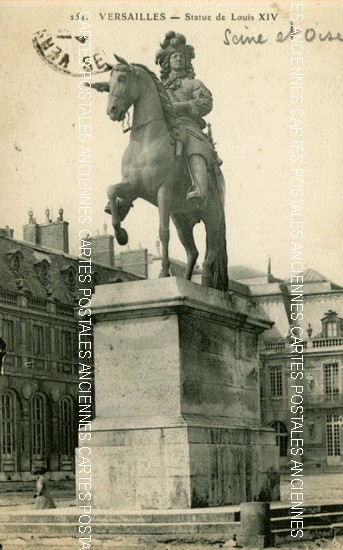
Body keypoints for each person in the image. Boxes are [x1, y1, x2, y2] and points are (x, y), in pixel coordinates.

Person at [156, 31, 216, 206]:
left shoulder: (194, 84)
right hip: (164, 126)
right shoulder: (159, 87)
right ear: (168, 61)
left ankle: (199, 187)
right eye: (174, 56)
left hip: (188, 125)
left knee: (195, 146)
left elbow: (206, 103)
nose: (178, 59)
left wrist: (183, 106)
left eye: (181, 56)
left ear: (186, 61)